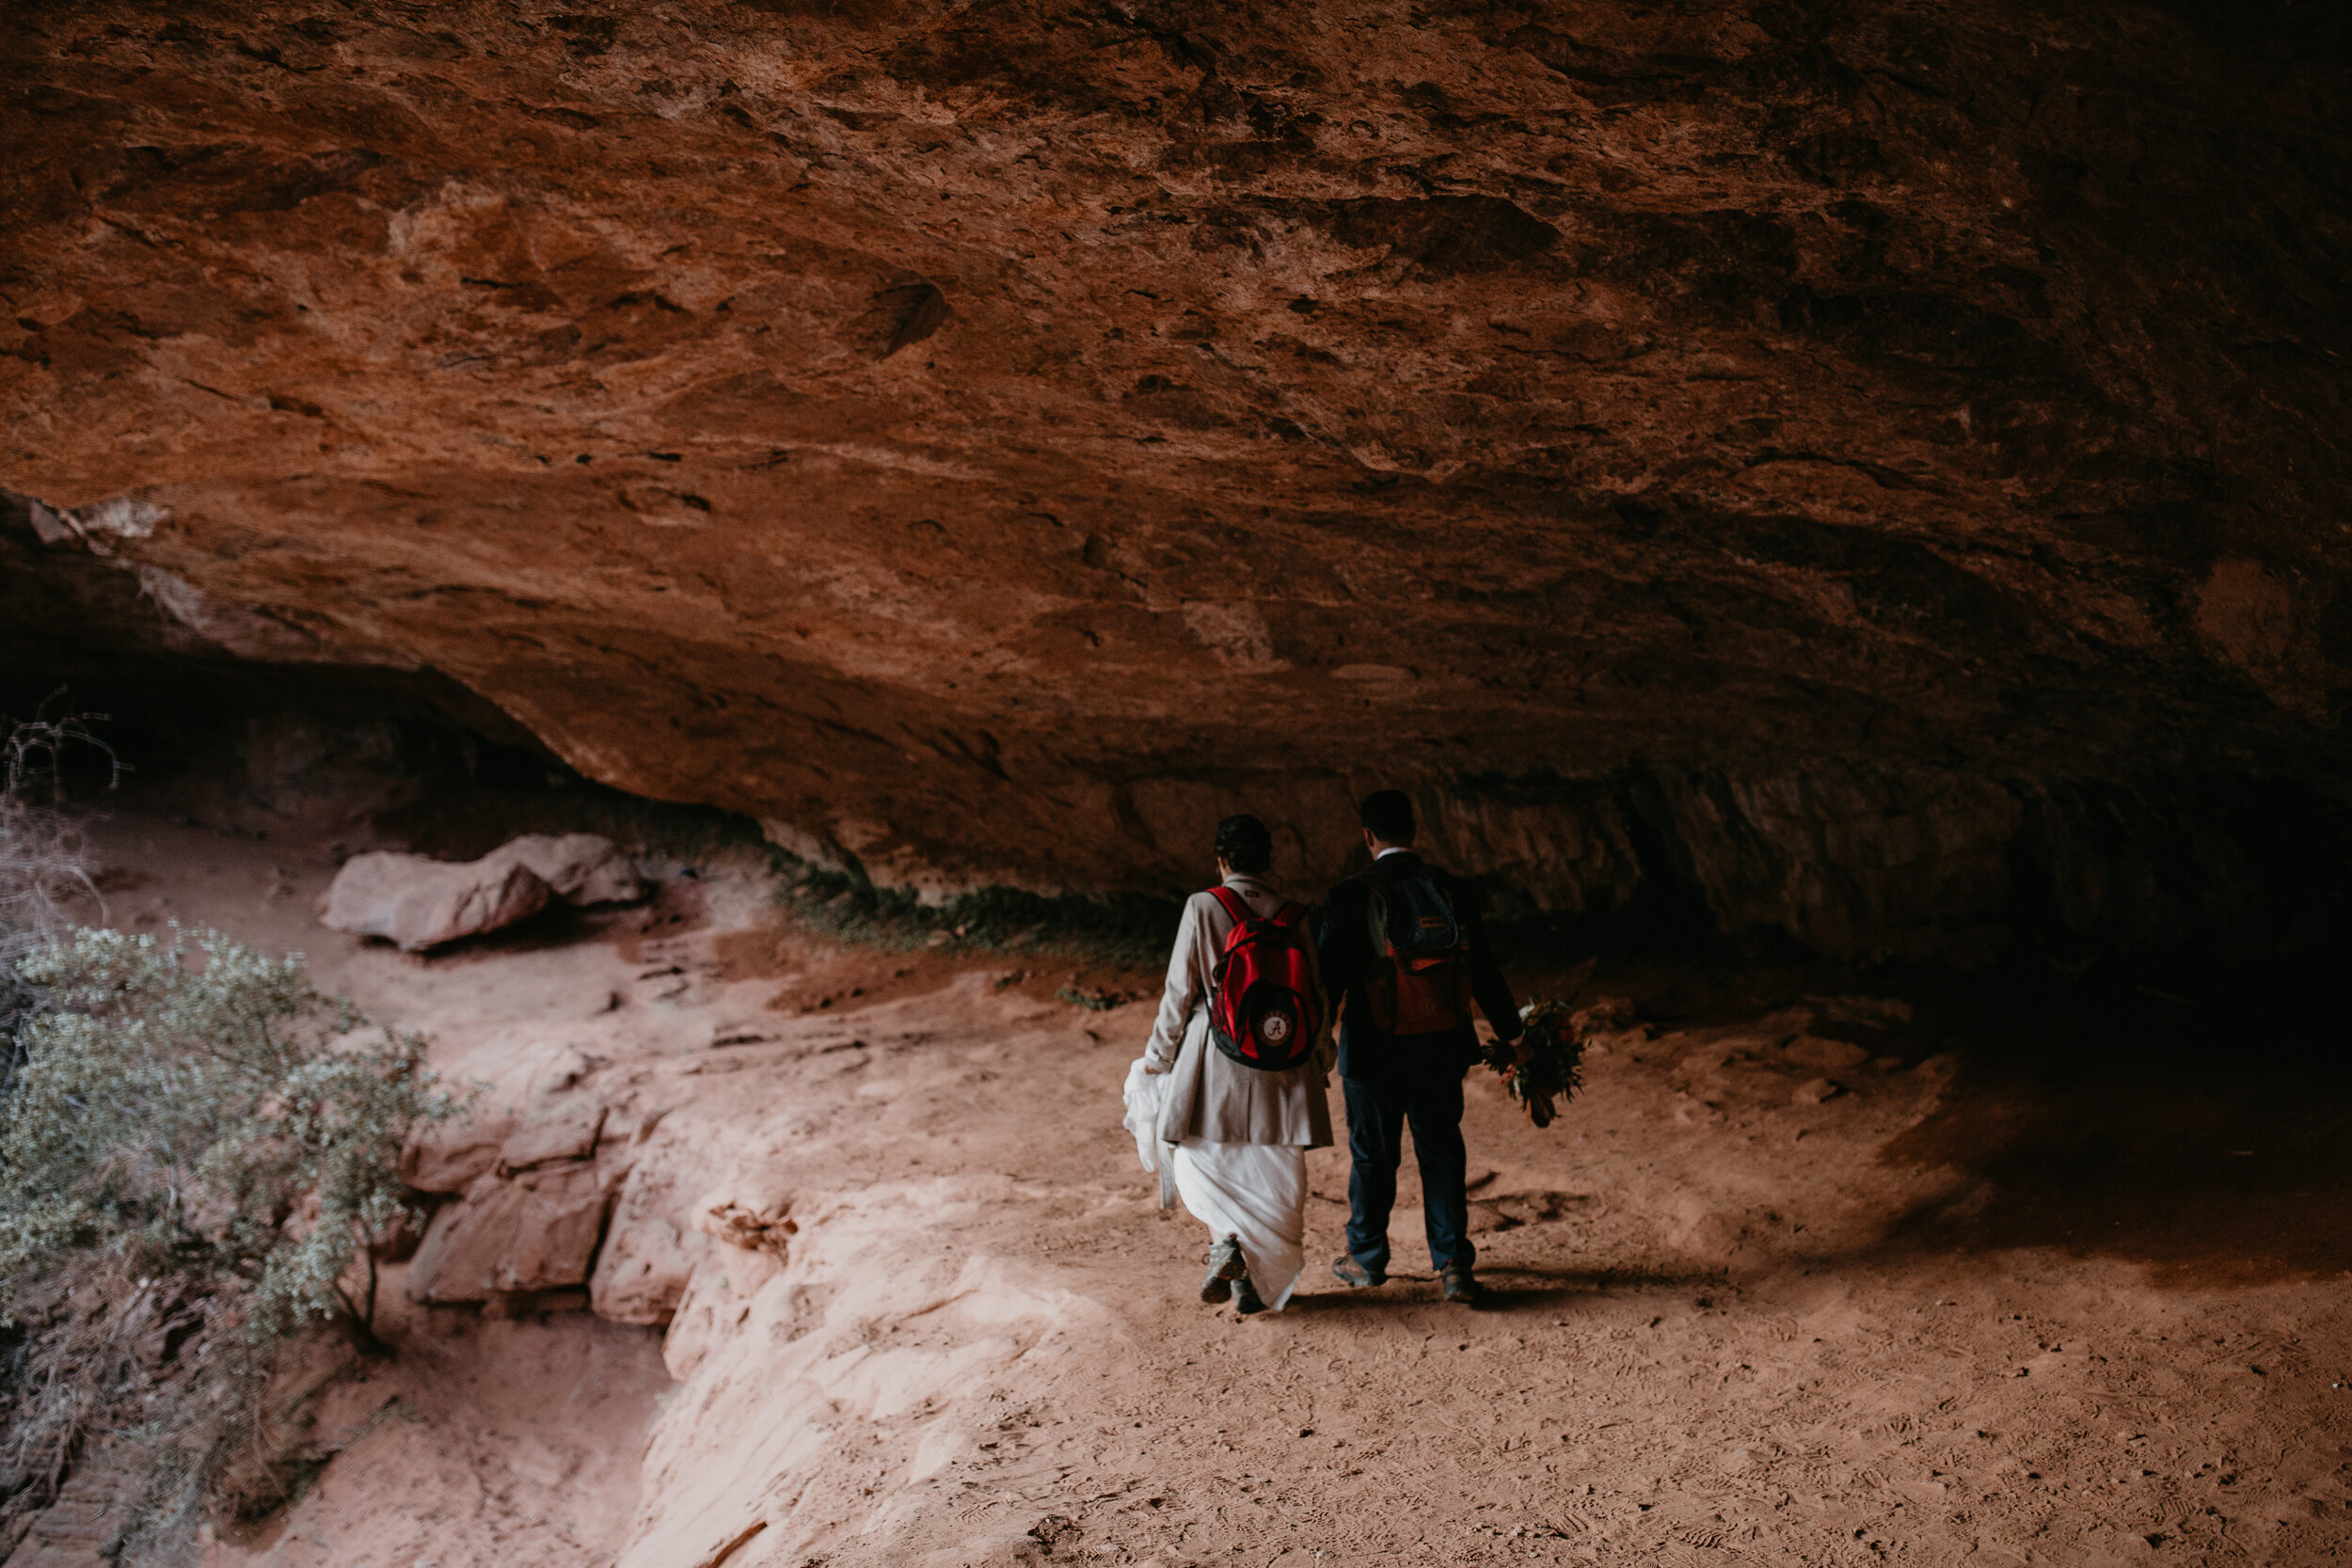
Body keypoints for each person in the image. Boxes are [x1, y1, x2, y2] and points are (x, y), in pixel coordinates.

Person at [1318, 789, 1522, 1305]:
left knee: (1372, 1156)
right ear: (1415, 830)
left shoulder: (1349, 894)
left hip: (1372, 1049)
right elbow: (1484, 968)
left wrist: (1318, 1038)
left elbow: (1329, 977)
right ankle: (1453, 1265)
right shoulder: (1450, 888)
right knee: (1441, 1151)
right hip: (1440, 1044)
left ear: (1367, 837)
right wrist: (1514, 1034)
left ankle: (1366, 1260)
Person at [1139, 814, 1334, 1315]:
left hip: (1215, 1054)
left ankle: (1226, 1244)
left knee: (1208, 1158)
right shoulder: (1295, 915)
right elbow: (1316, 992)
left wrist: (1158, 1058)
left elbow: (1180, 991)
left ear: (1222, 860)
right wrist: (1322, 1051)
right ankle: (1254, 1278)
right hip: (1283, 1057)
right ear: (1267, 862)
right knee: (1276, 1168)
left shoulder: (1203, 906)